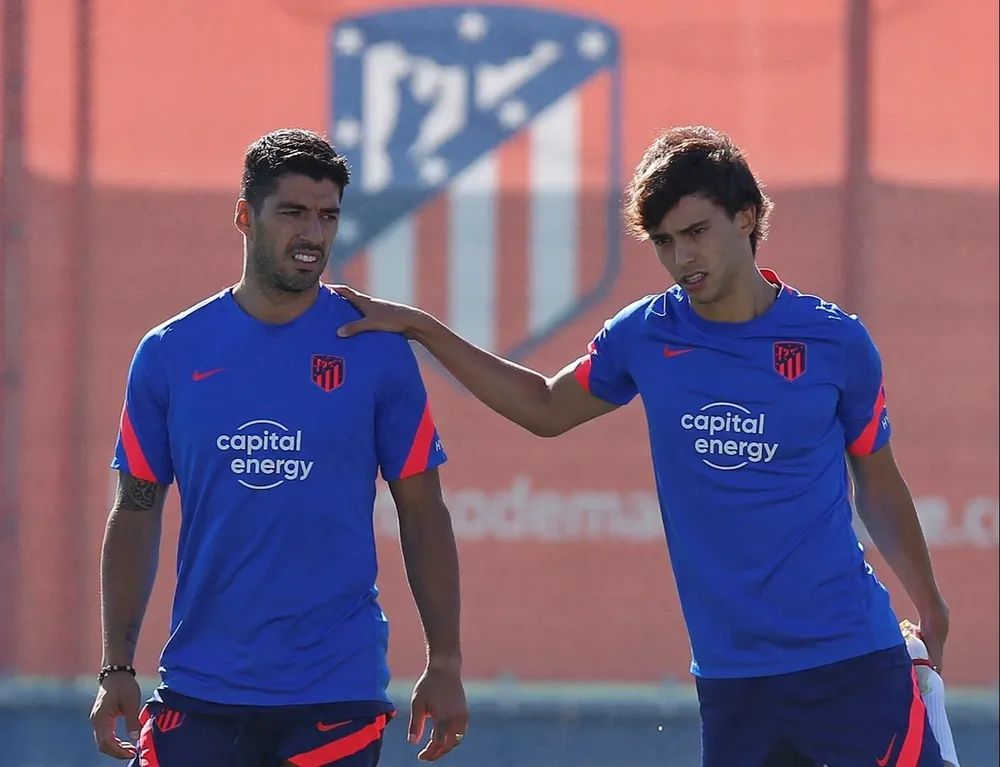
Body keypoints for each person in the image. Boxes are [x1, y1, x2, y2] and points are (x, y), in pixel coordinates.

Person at [333, 125, 952, 766]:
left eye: (696, 232)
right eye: (663, 241)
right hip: (732, 681)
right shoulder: (645, 335)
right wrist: (422, 328)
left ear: (747, 217)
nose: (682, 257)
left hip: (851, 661)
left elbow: (877, 483)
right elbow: (544, 409)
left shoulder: (836, 342)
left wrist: (928, 600)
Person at [89, 128, 468, 766]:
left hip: (336, 690)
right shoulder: (170, 352)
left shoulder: (376, 349)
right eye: (292, 212)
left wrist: (446, 662)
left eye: (328, 216)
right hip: (201, 686)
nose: (313, 234)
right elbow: (135, 509)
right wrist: (116, 666)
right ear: (246, 216)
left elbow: (423, 511)